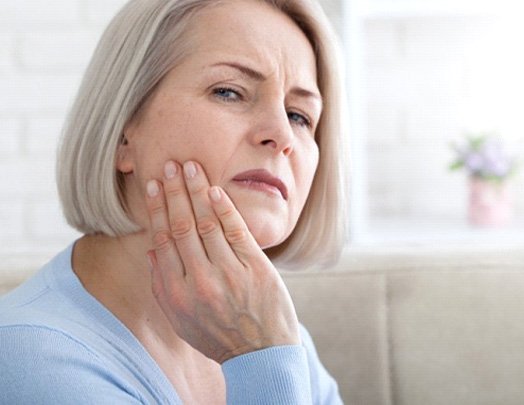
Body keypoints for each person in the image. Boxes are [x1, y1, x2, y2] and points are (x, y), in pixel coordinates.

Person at [0, 0, 347, 403]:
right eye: (229, 92)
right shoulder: (28, 360)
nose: (282, 135)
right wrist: (260, 358)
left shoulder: (273, 334)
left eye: (299, 116)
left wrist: (267, 351)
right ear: (122, 133)